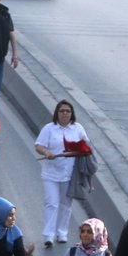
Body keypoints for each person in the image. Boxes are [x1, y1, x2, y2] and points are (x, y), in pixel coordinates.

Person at [33, 99, 90, 247]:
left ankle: (62, 232)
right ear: (57, 113)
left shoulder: (77, 128)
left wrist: (78, 150)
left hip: (69, 174)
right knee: (52, 203)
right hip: (50, 174)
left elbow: (86, 146)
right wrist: (46, 152)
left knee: (65, 204)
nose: (65, 113)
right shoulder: (49, 128)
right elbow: (38, 145)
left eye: (68, 111)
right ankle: (49, 235)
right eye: (62, 111)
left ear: (72, 114)